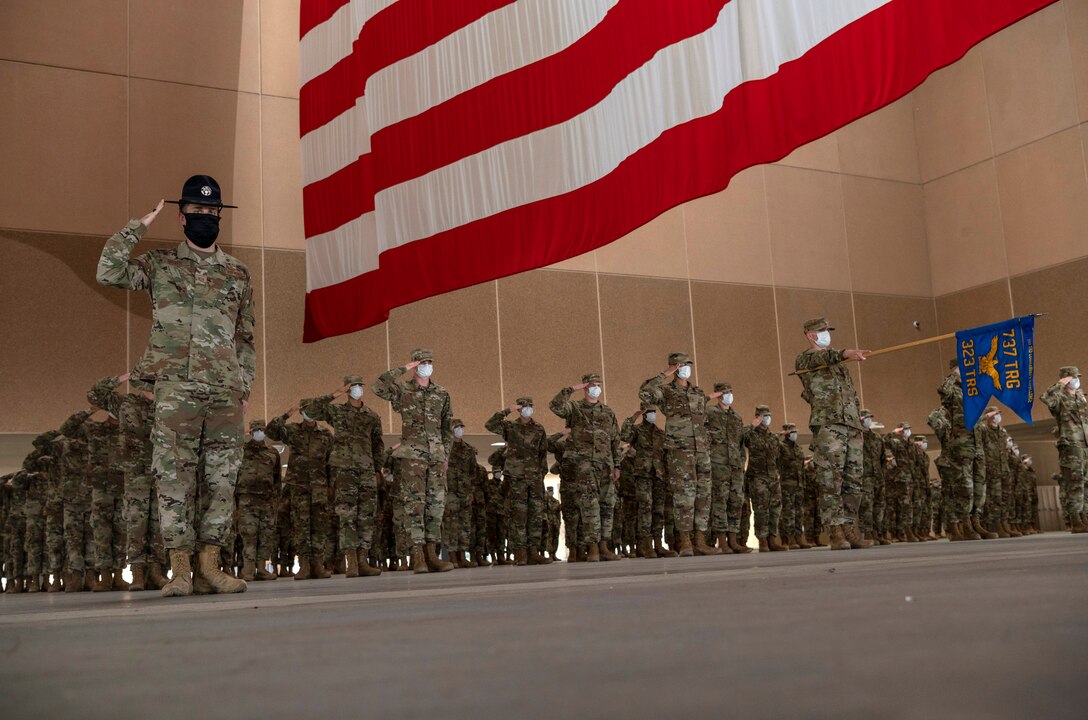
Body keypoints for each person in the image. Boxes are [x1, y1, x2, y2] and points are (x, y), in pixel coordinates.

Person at [96, 175, 254, 597]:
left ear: (219, 215)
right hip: (175, 388)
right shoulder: (159, 264)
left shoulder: (238, 272)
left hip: (224, 390)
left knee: (223, 481)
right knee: (173, 479)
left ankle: (210, 568)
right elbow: (108, 271)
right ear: (182, 216)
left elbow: (246, 337)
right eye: (197, 211)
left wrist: (245, 386)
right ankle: (180, 570)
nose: (205, 216)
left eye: (211, 211)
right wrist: (138, 225)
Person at [373, 349, 455, 573]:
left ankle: (432, 555)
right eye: (422, 362)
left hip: (436, 456)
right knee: (414, 505)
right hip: (412, 456)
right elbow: (378, 385)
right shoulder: (402, 390)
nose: (427, 365)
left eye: (430, 361)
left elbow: (447, 427)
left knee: (436, 505)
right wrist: (404, 368)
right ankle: (417, 556)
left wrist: (445, 454)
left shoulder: (442, 393)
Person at [794, 318, 872, 550]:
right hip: (829, 426)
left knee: (853, 481)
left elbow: (852, 397)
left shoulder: (840, 366)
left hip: (851, 427)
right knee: (831, 481)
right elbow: (823, 357)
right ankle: (836, 533)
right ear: (810, 335)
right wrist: (846, 352)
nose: (827, 333)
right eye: (822, 330)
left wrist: (859, 425)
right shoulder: (806, 359)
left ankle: (850, 528)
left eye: (828, 330)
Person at [639, 353, 722, 556]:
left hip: (701, 450)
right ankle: (685, 541)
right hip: (680, 451)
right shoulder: (666, 391)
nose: (687, 368)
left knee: (703, 495)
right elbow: (644, 392)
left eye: (688, 365)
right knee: (684, 496)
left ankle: (700, 541)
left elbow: (704, 419)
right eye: (682, 365)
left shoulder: (697, 392)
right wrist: (663, 375)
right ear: (674, 367)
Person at [303, 376, 385, 577]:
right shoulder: (337, 411)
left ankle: (363, 560)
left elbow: (378, 444)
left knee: (366, 516)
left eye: (359, 386)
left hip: (366, 470)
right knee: (347, 515)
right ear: (348, 389)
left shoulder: (371, 416)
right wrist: (335, 393)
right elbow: (311, 409)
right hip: (344, 470)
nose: (357, 389)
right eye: (353, 386)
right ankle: (351, 563)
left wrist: (377, 470)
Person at [550, 373, 623, 562]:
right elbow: (555, 405)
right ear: (585, 387)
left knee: (607, 505)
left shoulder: (607, 412)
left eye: (598, 384)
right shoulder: (574, 408)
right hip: (583, 465)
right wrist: (572, 389)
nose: (596, 388)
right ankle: (592, 548)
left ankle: (604, 546)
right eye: (592, 385)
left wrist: (617, 464)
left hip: (605, 464)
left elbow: (615, 440)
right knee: (589, 506)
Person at [267, 402, 334, 579]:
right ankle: (304, 565)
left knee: (319, 526)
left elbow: (331, 462)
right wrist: (287, 413)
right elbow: (271, 431)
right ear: (301, 412)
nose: (310, 413)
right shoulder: (293, 430)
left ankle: (318, 564)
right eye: (306, 410)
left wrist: (331, 485)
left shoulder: (326, 434)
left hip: (319, 486)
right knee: (301, 526)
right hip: (298, 486)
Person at [487, 398, 550, 565]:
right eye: (524, 406)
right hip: (516, 477)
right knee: (519, 516)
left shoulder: (539, 428)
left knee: (536, 514)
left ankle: (533, 551)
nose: (528, 409)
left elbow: (542, 453)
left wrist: (541, 473)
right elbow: (490, 424)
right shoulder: (510, 427)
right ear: (519, 409)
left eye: (530, 406)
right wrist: (508, 410)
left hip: (535, 476)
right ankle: (520, 552)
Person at [1041, 367, 1087, 533]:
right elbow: (1045, 398)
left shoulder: (1080, 397)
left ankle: (1084, 517)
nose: (1077, 380)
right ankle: (1075, 520)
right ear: (1066, 379)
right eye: (1073, 377)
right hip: (1071, 445)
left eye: (1077, 377)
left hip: (1084, 445)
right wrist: (1059, 384)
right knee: (1075, 483)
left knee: (1085, 483)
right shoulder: (1059, 397)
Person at [235, 420, 280, 581]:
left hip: (267, 501)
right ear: (251, 432)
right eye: (256, 430)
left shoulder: (273, 453)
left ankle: (261, 569)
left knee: (266, 535)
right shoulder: (241, 451)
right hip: (247, 500)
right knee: (249, 535)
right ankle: (248, 570)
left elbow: (276, 479)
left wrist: (276, 502)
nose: (259, 432)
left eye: (262, 429)